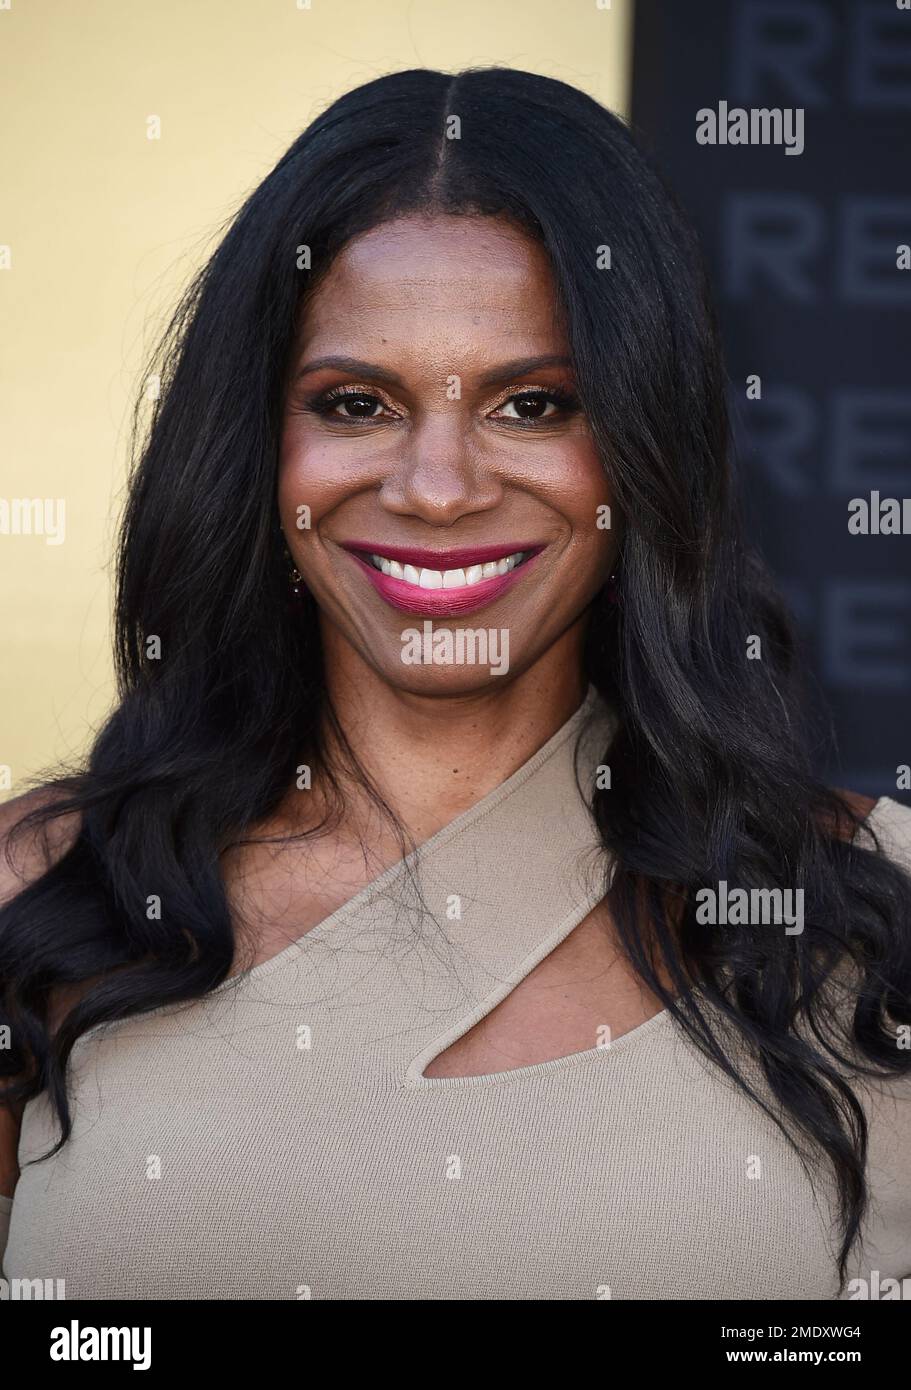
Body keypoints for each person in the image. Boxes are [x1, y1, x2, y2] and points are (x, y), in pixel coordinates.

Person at [1, 66, 909, 1301]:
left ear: (644, 444)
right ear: (258, 447)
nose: (437, 487)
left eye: (532, 404)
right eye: (354, 402)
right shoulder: (43, 894)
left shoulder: (860, 914)